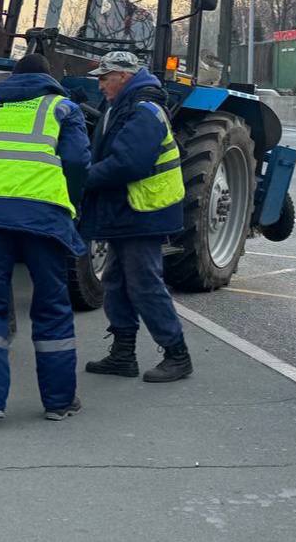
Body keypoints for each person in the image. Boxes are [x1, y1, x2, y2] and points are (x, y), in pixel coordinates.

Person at [0, 53, 91, 422]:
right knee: (51, 306)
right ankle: (59, 403)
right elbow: (78, 162)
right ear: (49, 77)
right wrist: (72, 202)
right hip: (43, 215)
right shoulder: (63, 107)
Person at [79, 50, 191, 383]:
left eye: (104, 77)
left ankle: (177, 354)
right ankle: (123, 354)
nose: (100, 85)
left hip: (144, 211)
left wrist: (81, 179)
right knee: (116, 281)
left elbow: (129, 163)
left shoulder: (143, 111)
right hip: (130, 211)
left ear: (123, 77)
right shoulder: (122, 106)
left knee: (144, 283)